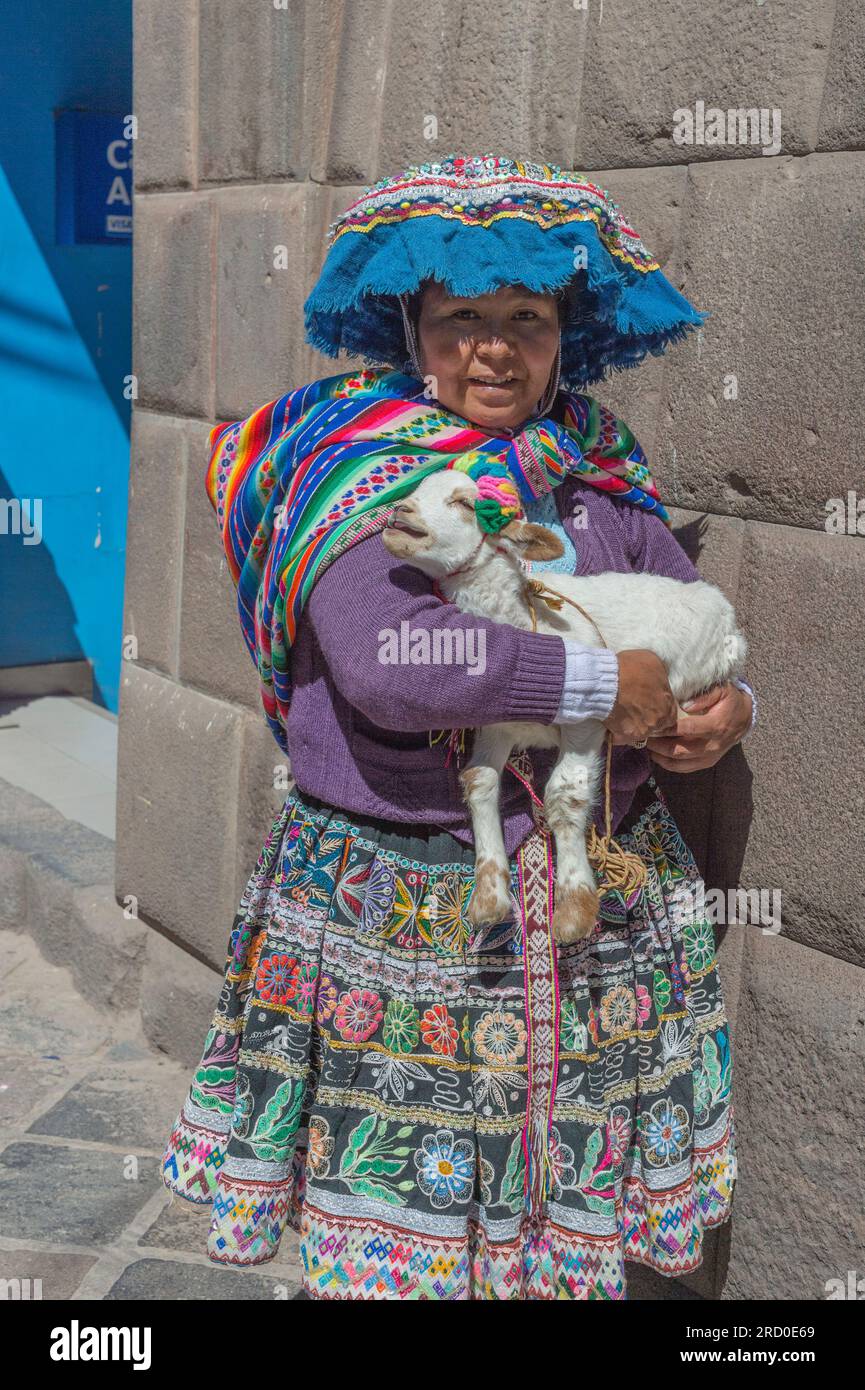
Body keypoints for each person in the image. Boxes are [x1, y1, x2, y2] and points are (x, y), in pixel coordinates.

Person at [161, 154, 754, 1300]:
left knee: (545, 1213)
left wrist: (723, 708)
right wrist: (595, 683)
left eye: (524, 317)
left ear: (564, 331)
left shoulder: (595, 478)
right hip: (401, 904)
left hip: (594, 906)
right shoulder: (360, 471)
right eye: (461, 318)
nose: (493, 346)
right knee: (413, 1216)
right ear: (410, 325)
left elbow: (688, 620)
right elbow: (397, 664)